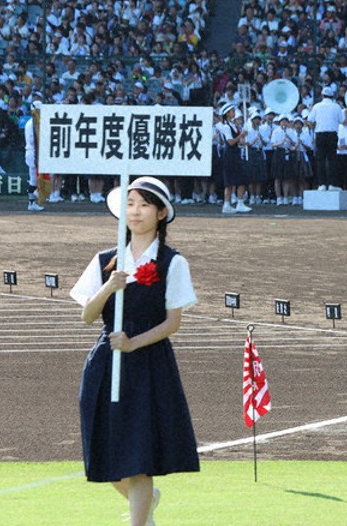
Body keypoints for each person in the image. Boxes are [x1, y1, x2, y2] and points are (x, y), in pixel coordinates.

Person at [70, 177, 200, 525]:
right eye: (130, 204)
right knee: (108, 455)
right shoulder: (105, 260)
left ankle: (138, 520)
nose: (136, 211)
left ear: (161, 213)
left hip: (149, 364)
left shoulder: (173, 263)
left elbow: (173, 322)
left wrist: (133, 344)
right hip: (105, 363)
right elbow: (87, 316)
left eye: (144, 204)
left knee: (140, 455)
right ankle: (146, 504)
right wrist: (109, 289)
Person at [310, 86, 345, 191]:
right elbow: (342, 120)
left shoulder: (317, 106)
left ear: (322, 95)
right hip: (332, 134)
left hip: (320, 134)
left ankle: (322, 184)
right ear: (332, 96)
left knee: (320, 159)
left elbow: (310, 119)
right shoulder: (336, 107)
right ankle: (332, 184)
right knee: (332, 159)